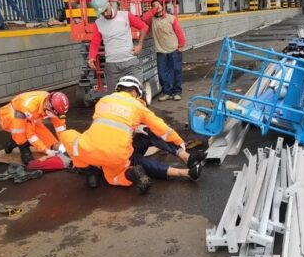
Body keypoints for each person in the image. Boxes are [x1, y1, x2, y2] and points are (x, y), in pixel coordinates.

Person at [58, 76, 205, 193]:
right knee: (136, 158)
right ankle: (184, 163)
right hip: (117, 155)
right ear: (135, 91)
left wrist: (139, 128)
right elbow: (161, 128)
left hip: (93, 152)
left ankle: (185, 168)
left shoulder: (103, 101)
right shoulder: (137, 106)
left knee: (144, 138)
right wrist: (179, 142)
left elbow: (107, 126)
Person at [88, 0, 148, 93]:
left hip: (130, 64)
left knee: (136, 94)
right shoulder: (98, 23)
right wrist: (91, 57)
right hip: (112, 67)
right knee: (115, 99)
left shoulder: (125, 16)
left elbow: (144, 27)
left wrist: (140, 44)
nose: (105, 14)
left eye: (106, 10)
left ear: (110, 4)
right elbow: (95, 43)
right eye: (102, 13)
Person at [0, 91, 69, 165]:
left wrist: (65, 141)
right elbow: (30, 134)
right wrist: (45, 150)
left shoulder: (56, 107)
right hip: (11, 113)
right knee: (19, 129)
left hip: (33, 116)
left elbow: (60, 126)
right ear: (48, 109)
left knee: (52, 145)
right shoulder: (30, 107)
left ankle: (13, 141)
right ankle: (23, 148)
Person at [142, 0, 185, 101]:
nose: (157, 7)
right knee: (162, 73)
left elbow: (179, 32)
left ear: (163, 6)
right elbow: (143, 19)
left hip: (174, 49)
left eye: (159, 5)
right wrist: (153, 10)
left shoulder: (171, 18)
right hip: (161, 51)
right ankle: (167, 93)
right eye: (154, 6)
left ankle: (177, 92)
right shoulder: (151, 20)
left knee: (176, 71)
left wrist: (181, 45)